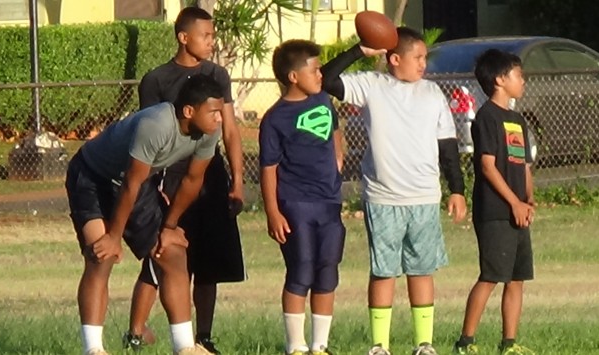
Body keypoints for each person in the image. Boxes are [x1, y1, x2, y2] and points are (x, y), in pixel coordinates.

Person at [320, 27, 467, 355]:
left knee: (421, 269)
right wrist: (360, 51)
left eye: (425, 58)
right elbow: (326, 79)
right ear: (394, 58)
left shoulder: (432, 93)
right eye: (417, 57)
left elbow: (447, 146)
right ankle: (379, 345)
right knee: (384, 271)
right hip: (384, 197)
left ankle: (424, 343)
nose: (422, 64)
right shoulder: (372, 86)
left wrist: (456, 189)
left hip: (424, 197)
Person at [66, 73, 224, 355]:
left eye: (220, 112)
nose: (219, 119)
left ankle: (185, 347)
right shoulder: (156, 125)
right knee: (101, 256)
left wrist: (170, 226)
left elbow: (192, 180)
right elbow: (131, 183)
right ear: (189, 111)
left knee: (172, 254)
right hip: (92, 177)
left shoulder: (209, 133)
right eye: (213, 112)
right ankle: (93, 349)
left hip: (134, 184)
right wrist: (114, 237)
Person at [123, 7, 246, 354]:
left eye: (213, 35)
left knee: (207, 261)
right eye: (205, 35)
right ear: (183, 37)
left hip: (208, 175)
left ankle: (202, 338)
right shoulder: (157, 80)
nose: (211, 41)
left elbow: (230, 130)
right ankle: (135, 332)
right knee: (161, 254)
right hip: (170, 179)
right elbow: (147, 133)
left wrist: (236, 180)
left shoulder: (217, 75)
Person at [259, 39, 345, 355]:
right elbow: (268, 167)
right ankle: (295, 345)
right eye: (315, 70)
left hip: (329, 201)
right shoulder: (275, 118)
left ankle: (320, 345)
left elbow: (335, 129)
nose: (321, 75)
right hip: (295, 203)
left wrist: (338, 155)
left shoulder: (323, 100)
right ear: (294, 76)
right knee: (302, 268)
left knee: (327, 269)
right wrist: (272, 211)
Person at [452, 49, 535, 355]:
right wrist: (513, 202)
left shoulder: (518, 120)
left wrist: (529, 199)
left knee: (517, 278)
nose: (523, 80)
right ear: (500, 80)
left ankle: (509, 343)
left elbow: (524, 165)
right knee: (491, 276)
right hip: (496, 211)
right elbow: (488, 166)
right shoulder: (487, 117)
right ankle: (466, 341)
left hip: (519, 209)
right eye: (518, 75)